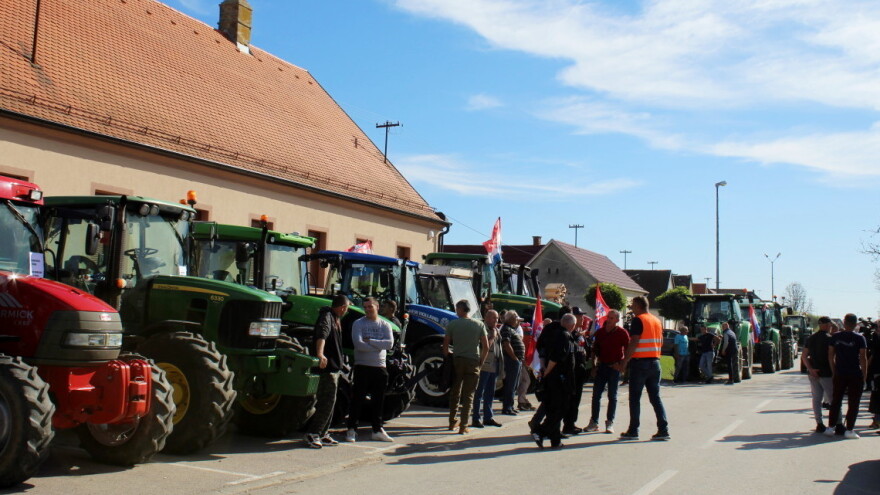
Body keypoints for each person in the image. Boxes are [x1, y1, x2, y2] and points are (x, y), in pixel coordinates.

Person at [617, 296, 669, 441]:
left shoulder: (638, 320)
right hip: (655, 362)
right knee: (655, 397)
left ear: (639, 306)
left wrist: (625, 360)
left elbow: (634, 341)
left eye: (632, 305)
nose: (631, 308)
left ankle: (633, 430)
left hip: (640, 363)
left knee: (635, 398)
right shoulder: (656, 320)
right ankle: (663, 430)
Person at [304, 295, 349, 449]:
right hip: (328, 367)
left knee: (331, 402)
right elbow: (321, 335)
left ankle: (323, 433)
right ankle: (313, 433)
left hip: (335, 367)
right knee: (326, 402)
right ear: (342, 307)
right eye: (346, 307)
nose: (346, 310)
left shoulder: (335, 318)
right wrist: (320, 354)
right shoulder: (327, 317)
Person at [346, 298, 394, 443]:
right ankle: (352, 429)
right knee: (357, 399)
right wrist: (379, 345)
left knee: (378, 401)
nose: (367, 309)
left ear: (377, 307)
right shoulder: (358, 323)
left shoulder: (385, 324)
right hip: (362, 366)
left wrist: (371, 341)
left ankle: (377, 430)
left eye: (370, 306)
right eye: (365, 307)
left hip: (380, 367)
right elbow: (359, 345)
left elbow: (390, 344)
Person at [444, 299, 490, 435]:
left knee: (455, 392)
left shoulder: (453, 324)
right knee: (469, 395)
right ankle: (464, 426)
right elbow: (486, 346)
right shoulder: (479, 324)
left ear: (461, 309)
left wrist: (447, 357)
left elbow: (446, 343)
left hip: (457, 360)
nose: (456, 311)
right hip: (473, 361)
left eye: (457, 308)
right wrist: (481, 361)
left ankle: (452, 422)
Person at [533, 314, 578, 449]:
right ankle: (540, 431)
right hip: (560, 378)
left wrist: (543, 368)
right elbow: (556, 357)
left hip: (553, 377)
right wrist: (547, 371)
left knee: (553, 408)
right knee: (561, 408)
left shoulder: (551, 332)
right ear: (572, 325)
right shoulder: (564, 336)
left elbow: (541, 349)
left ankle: (555, 440)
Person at [585, 309, 630, 434]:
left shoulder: (622, 333)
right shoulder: (600, 332)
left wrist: (622, 365)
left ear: (617, 320)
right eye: (608, 317)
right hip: (601, 367)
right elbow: (594, 349)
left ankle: (610, 421)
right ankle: (594, 422)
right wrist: (593, 365)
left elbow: (628, 350)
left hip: (614, 368)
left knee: (612, 396)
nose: (608, 320)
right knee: (596, 395)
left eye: (611, 318)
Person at [825, 313, 868, 439]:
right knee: (853, 402)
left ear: (844, 322)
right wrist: (864, 375)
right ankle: (849, 430)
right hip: (855, 373)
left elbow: (830, 355)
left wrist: (834, 371)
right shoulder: (860, 338)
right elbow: (863, 358)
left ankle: (831, 427)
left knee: (836, 401)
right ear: (855, 324)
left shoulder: (836, 337)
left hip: (840, 373)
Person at [802, 316, 835, 433]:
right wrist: (834, 372)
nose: (830, 327)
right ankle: (837, 423)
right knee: (833, 399)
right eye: (830, 325)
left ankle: (819, 423)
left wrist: (810, 369)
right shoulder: (830, 339)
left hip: (813, 373)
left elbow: (804, 356)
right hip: (826, 373)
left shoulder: (811, 338)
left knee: (816, 399)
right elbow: (832, 358)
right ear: (827, 325)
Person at [472, 310, 503, 428]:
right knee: (479, 392)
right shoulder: (482, 329)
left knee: (490, 393)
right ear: (487, 318)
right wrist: (492, 336)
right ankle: (476, 418)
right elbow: (484, 346)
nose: (496, 321)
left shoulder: (496, 330)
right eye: (494, 318)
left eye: (497, 318)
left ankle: (488, 417)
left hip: (494, 365)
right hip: (484, 365)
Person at [563, 307, 590, 436]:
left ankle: (571, 423)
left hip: (581, 370)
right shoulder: (570, 334)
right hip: (572, 372)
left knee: (576, 399)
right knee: (571, 399)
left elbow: (585, 349)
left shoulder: (580, 333)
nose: (582, 318)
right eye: (580, 316)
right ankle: (568, 425)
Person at [499, 311, 525, 415]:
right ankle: (507, 407)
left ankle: (510, 406)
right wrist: (514, 357)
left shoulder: (511, 329)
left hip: (516, 360)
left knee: (514, 385)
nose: (517, 321)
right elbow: (506, 344)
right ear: (511, 319)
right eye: (516, 318)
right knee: (510, 384)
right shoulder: (506, 329)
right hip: (511, 360)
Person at [867, 329, 880, 431]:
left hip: (878, 370)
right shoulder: (875, 338)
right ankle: (876, 420)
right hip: (876, 371)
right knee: (876, 395)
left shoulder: (876, 339)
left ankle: (877, 421)